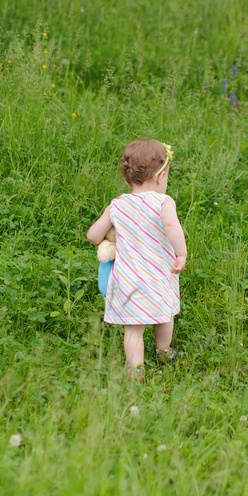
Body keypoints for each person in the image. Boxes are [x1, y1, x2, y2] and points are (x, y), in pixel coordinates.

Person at [86, 139, 187, 381]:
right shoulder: (164, 203)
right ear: (161, 177)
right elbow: (171, 226)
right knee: (165, 315)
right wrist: (181, 253)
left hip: (127, 280)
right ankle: (163, 351)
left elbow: (92, 236)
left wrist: (106, 239)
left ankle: (136, 370)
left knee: (132, 330)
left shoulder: (117, 206)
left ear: (126, 179)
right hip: (158, 277)